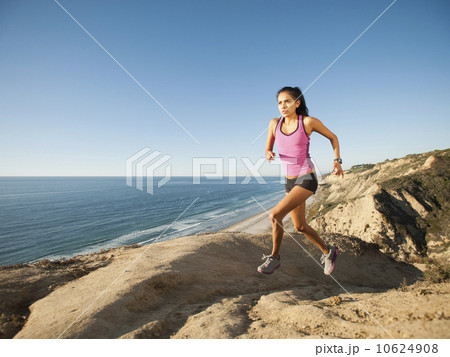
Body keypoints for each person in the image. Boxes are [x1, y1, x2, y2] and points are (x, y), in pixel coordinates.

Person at [258, 86, 344, 275]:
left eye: (287, 101)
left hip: (306, 177)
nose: (283, 106)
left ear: (297, 103)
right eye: (279, 102)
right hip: (289, 181)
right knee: (300, 226)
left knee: (275, 215)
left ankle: (274, 258)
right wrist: (269, 152)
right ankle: (329, 252)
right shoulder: (274, 123)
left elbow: (333, 137)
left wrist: (337, 160)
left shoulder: (307, 122)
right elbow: (267, 148)